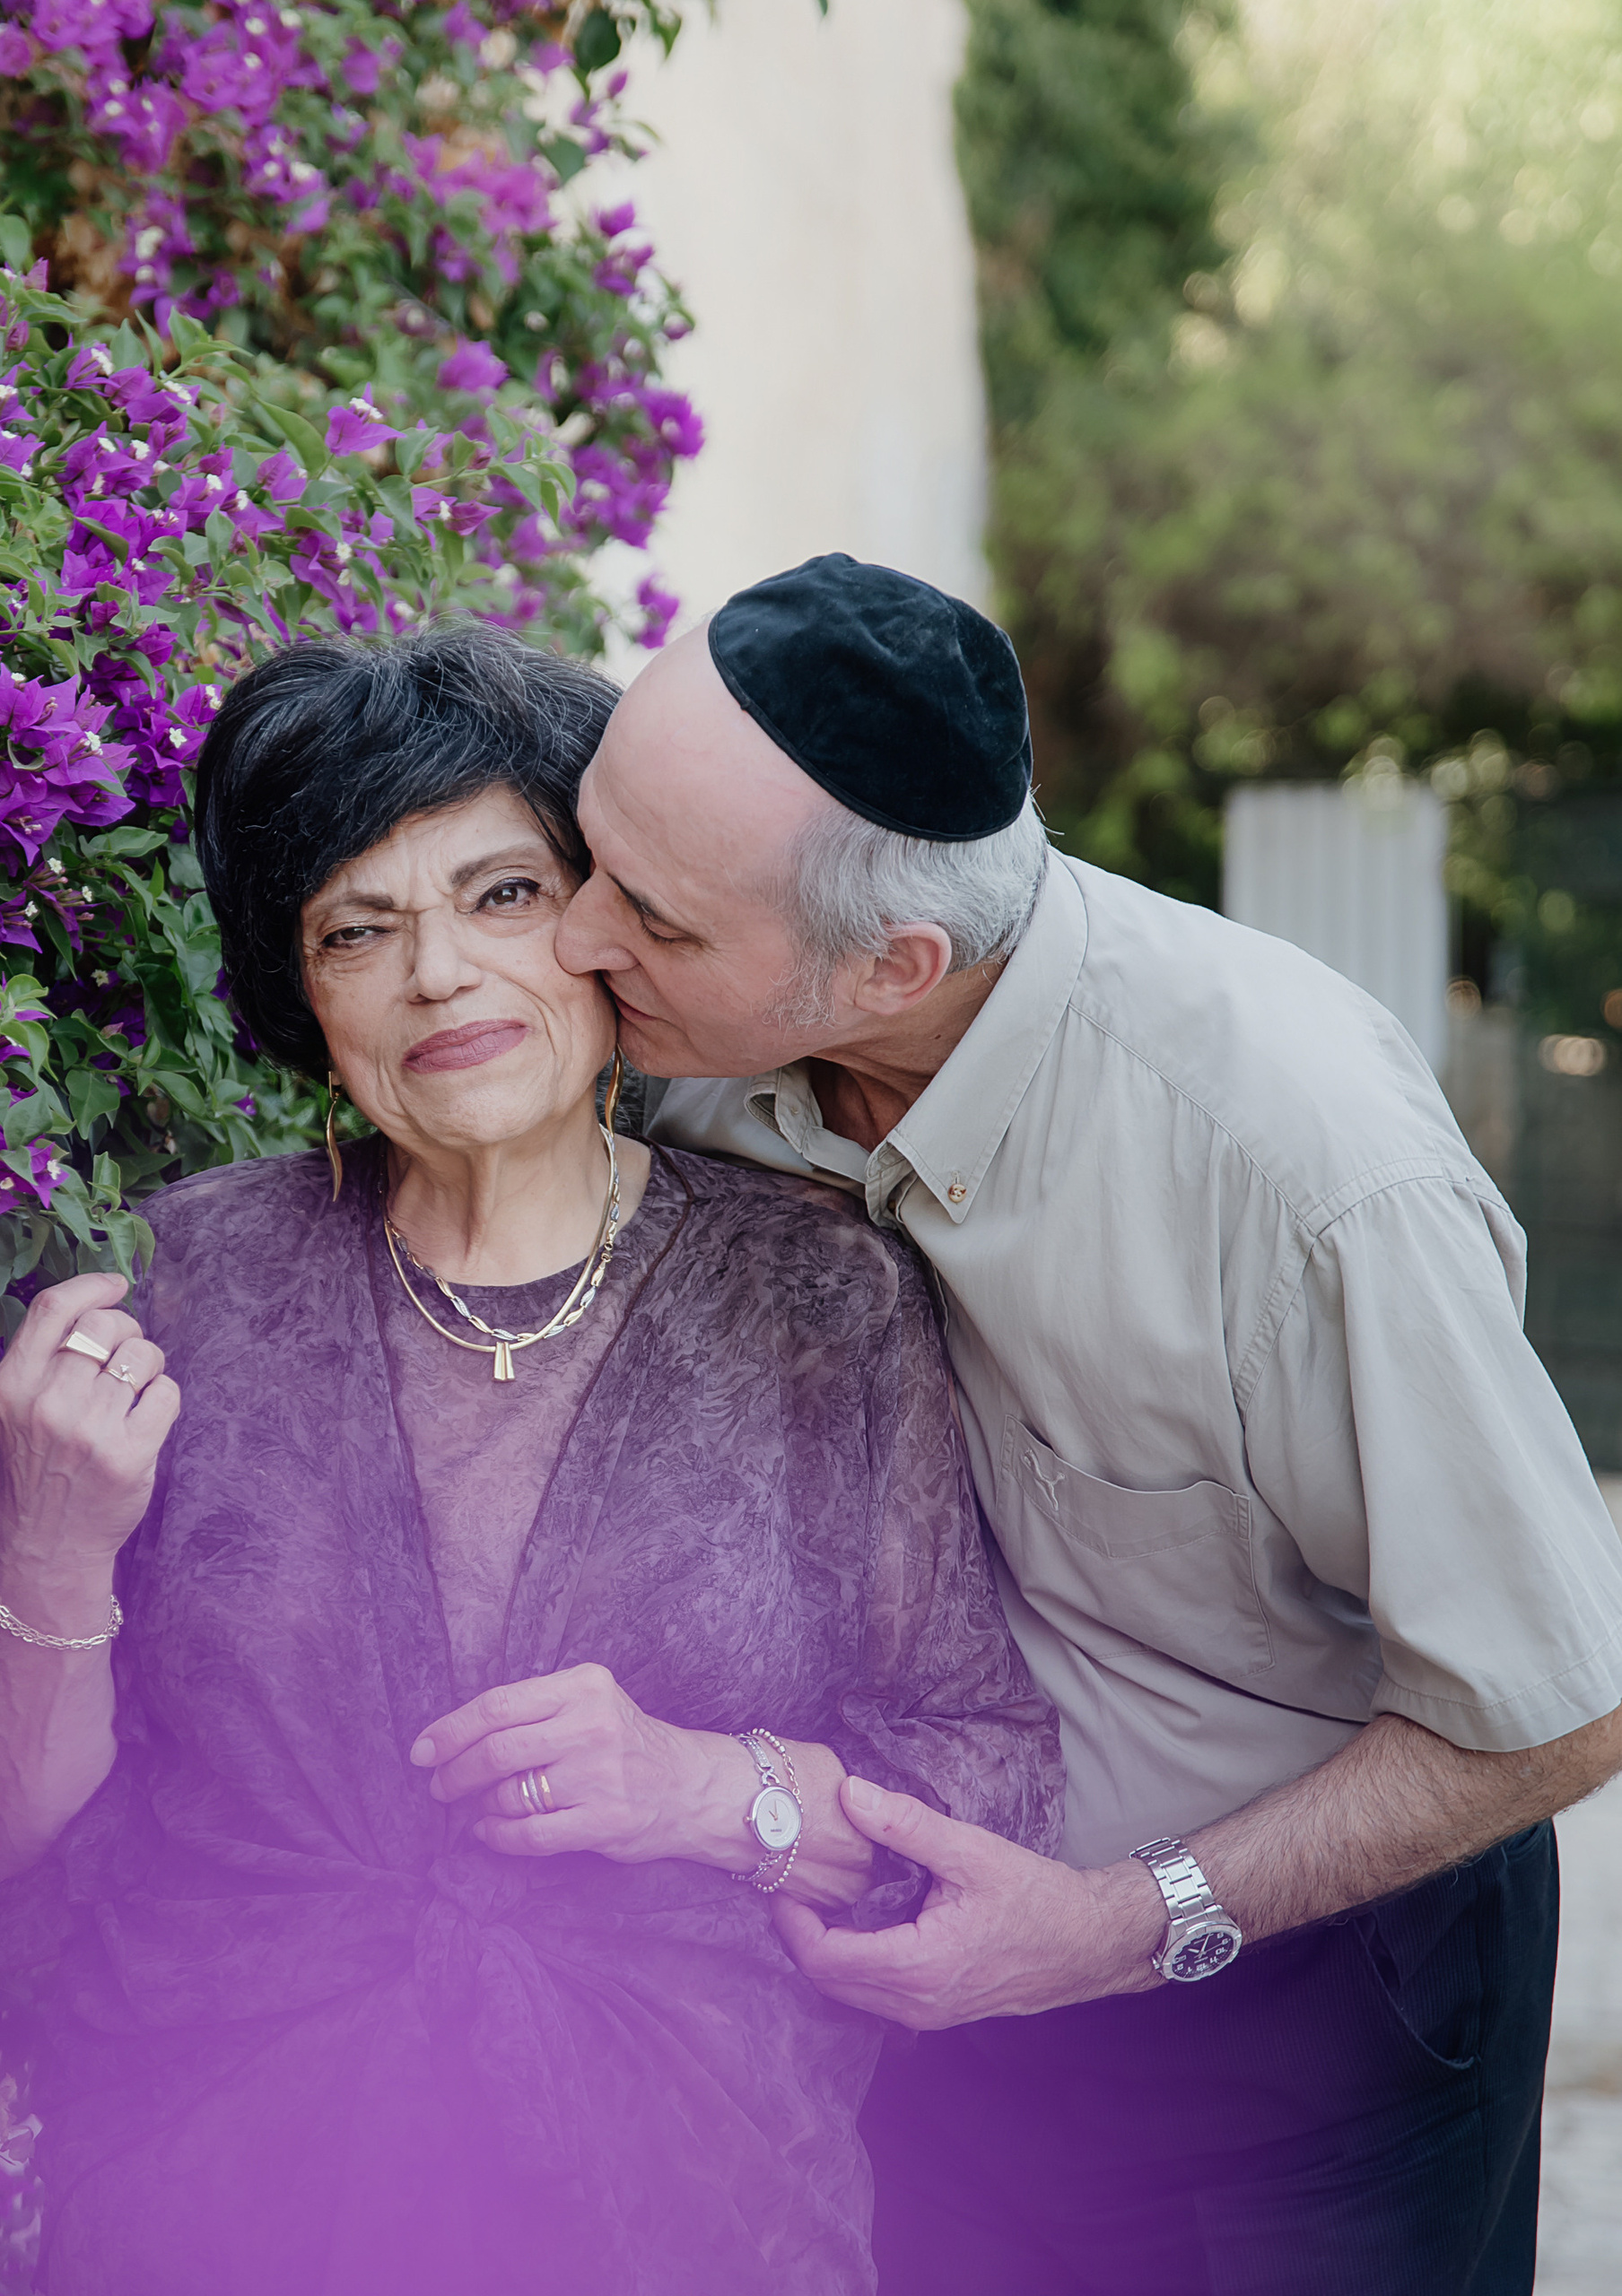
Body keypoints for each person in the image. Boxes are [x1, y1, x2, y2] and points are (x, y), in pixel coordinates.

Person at [0, 618, 1060, 2296]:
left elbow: (989, 1779)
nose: (438, 974)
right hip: (220, 2206)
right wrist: (51, 1550)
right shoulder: (180, 1290)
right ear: (305, 991)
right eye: (360, 928)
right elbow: (8, 1850)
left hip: (693, 2210)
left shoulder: (821, 1299)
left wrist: (709, 1790)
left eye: (501, 896)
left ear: (605, 932)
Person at [553, 551, 1622, 2296]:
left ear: (888, 962)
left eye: (651, 915)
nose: (579, 938)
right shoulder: (685, 1035)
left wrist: (1127, 1920)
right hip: (914, 1991)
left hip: (1292, 2009)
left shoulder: (1302, 1164)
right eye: (587, 853)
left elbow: (1554, 1703)